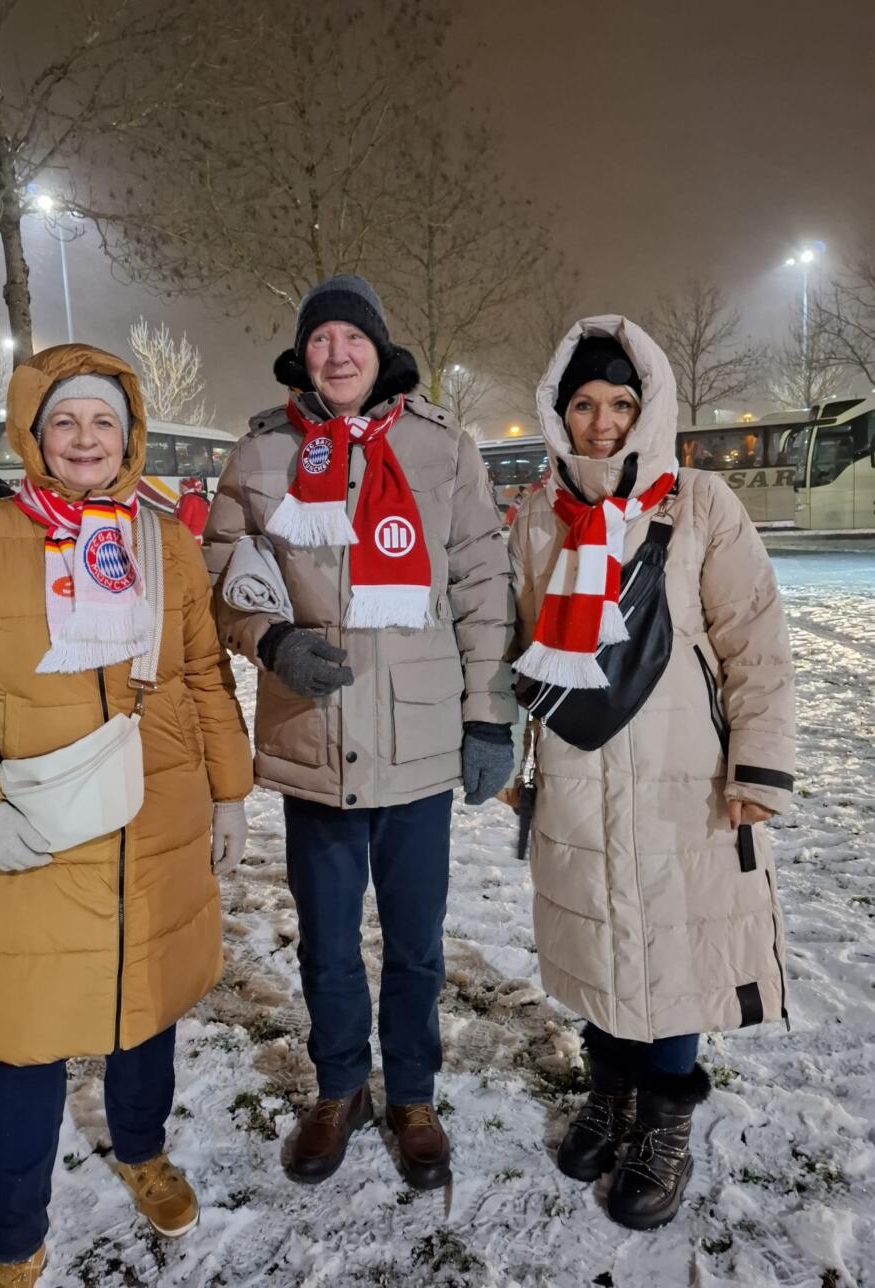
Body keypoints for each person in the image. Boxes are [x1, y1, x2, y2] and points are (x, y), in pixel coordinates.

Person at [0, 344, 253, 1287]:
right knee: (29, 1031)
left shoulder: (163, 539)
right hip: (42, 819)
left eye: (103, 420)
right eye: (65, 421)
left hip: (160, 811)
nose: (85, 437)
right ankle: (16, 1234)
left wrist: (230, 789)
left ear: (128, 434)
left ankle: (141, 1151)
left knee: (147, 1007)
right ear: (35, 435)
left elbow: (202, 672)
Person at [204, 274, 515, 1191]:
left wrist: (487, 718)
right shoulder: (261, 453)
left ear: (381, 351)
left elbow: (481, 584)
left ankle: (412, 1093)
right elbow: (222, 567)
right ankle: (341, 1086)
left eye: (353, 338)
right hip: (315, 740)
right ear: (303, 355)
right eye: (320, 339)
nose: (336, 354)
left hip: (416, 747)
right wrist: (272, 640)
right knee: (329, 941)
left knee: (416, 942)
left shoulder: (442, 447)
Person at [508, 319, 795, 1231]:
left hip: (685, 779)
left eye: (620, 404)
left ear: (649, 409)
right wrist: (518, 759)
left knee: (672, 951)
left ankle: (665, 1116)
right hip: (578, 770)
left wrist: (758, 766)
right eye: (584, 404)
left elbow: (754, 639)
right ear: (560, 414)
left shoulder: (701, 503)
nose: (602, 422)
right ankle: (612, 1092)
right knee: (599, 941)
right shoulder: (535, 515)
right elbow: (525, 646)